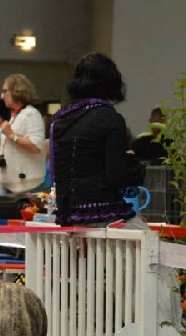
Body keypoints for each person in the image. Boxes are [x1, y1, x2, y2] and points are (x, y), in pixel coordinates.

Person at [50, 52, 145, 229]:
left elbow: (56, 172)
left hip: (67, 215)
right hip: (102, 211)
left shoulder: (60, 120)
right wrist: (132, 165)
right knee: (150, 239)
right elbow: (116, 176)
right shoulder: (110, 118)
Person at [0, 74, 46, 193]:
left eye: (5, 91)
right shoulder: (17, 115)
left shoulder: (31, 114)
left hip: (27, 186)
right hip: (13, 184)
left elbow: (36, 147)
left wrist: (11, 135)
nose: (2, 96)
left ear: (17, 91)